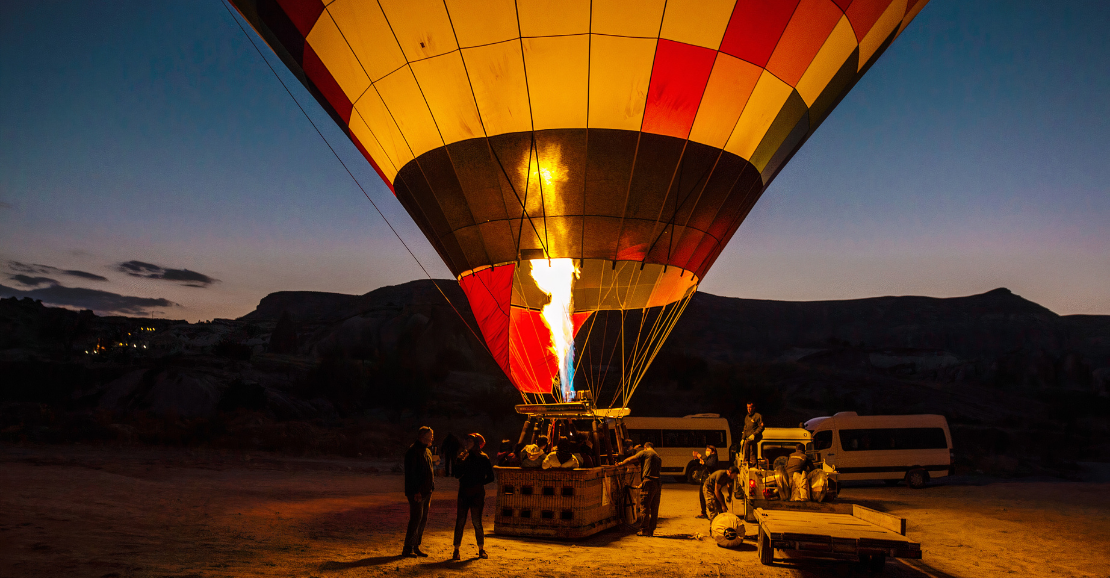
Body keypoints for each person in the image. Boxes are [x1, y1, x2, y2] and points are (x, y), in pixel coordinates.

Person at [452, 433, 495, 561]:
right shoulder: (464, 457)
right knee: (460, 521)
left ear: (476, 443)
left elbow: (491, 477)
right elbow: (456, 474)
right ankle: (456, 550)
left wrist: (479, 483)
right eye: (467, 441)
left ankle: (481, 549)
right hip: (464, 493)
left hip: (477, 494)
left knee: (477, 522)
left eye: (470, 441)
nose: (467, 443)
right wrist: (459, 461)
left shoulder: (483, 458)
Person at [618, 441, 662, 537]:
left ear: (645, 447)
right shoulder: (657, 455)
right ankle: (651, 530)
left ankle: (644, 530)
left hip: (648, 481)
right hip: (657, 483)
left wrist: (621, 464)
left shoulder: (645, 452)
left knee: (645, 506)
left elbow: (631, 459)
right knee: (654, 508)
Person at [403, 426, 435, 558]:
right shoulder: (413, 451)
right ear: (422, 437)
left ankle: (416, 545)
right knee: (416, 519)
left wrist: (431, 487)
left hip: (426, 491)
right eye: (430, 436)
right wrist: (416, 491)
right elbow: (411, 474)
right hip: (417, 493)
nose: (432, 438)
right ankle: (408, 548)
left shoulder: (426, 451)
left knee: (422, 519)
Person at [694, 445, 720, 518]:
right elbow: (702, 465)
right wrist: (697, 459)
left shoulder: (714, 458)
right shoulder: (709, 458)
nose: (707, 451)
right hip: (704, 479)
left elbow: (710, 465)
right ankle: (703, 512)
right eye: (706, 450)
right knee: (702, 497)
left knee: (710, 498)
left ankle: (715, 512)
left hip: (709, 481)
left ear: (713, 451)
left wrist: (702, 460)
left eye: (708, 450)